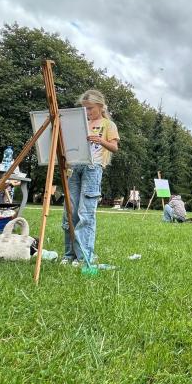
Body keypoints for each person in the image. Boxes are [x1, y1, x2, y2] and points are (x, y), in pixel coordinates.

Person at [60, 90, 119, 266]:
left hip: (93, 168)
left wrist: (100, 141)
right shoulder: (81, 123)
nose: (87, 112)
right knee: (70, 212)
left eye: (90, 108)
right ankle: (69, 254)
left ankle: (84, 256)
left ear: (100, 106)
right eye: (84, 109)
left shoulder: (108, 124)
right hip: (76, 166)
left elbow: (114, 147)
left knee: (85, 212)